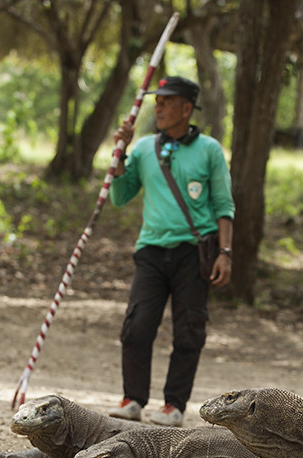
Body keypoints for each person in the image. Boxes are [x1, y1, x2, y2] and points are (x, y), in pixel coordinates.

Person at [107, 76, 235, 427]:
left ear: (186, 108)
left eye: (167, 101)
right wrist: (120, 154)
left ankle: (173, 406)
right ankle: (133, 399)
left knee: (189, 330)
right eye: (156, 101)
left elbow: (224, 204)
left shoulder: (209, 149)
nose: (158, 107)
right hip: (150, 251)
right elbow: (119, 195)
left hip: (193, 252)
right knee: (137, 326)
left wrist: (225, 251)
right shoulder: (146, 147)